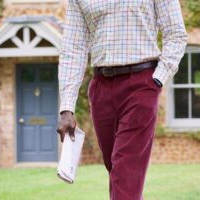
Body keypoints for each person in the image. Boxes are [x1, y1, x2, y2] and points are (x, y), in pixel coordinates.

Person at [56, 0, 188, 199]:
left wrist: (158, 79)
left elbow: (176, 33)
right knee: (117, 169)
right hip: (101, 87)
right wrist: (67, 108)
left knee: (126, 167)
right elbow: (73, 48)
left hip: (142, 84)